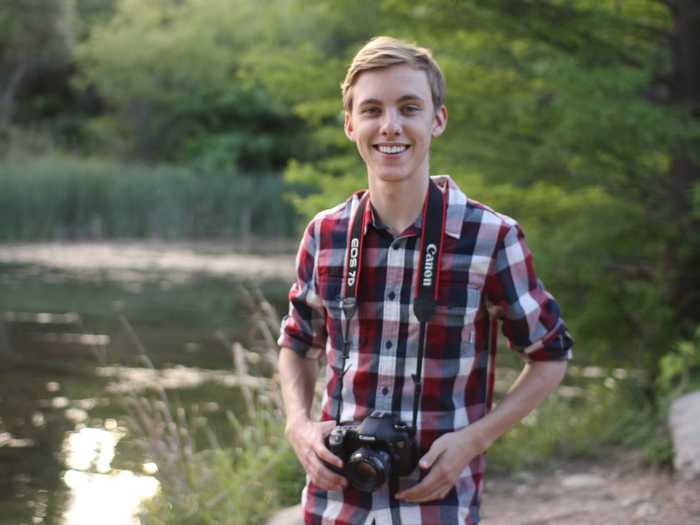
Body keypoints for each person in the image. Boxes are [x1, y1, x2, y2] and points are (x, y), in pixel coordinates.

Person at [277, 36, 573, 525]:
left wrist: (473, 441)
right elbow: (297, 343)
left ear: (437, 119)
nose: (390, 126)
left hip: (437, 507)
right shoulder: (324, 233)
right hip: (334, 504)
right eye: (372, 110)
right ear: (351, 124)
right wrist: (299, 424)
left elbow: (551, 355)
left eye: (408, 108)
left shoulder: (491, 238)